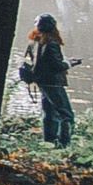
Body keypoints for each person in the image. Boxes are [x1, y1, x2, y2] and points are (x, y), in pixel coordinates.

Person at [24, 15, 76, 147]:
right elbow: (56, 65)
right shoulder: (51, 43)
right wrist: (70, 63)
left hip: (41, 82)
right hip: (53, 83)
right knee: (66, 114)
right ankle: (64, 144)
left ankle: (49, 141)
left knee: (49, 112)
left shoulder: (33, 42)